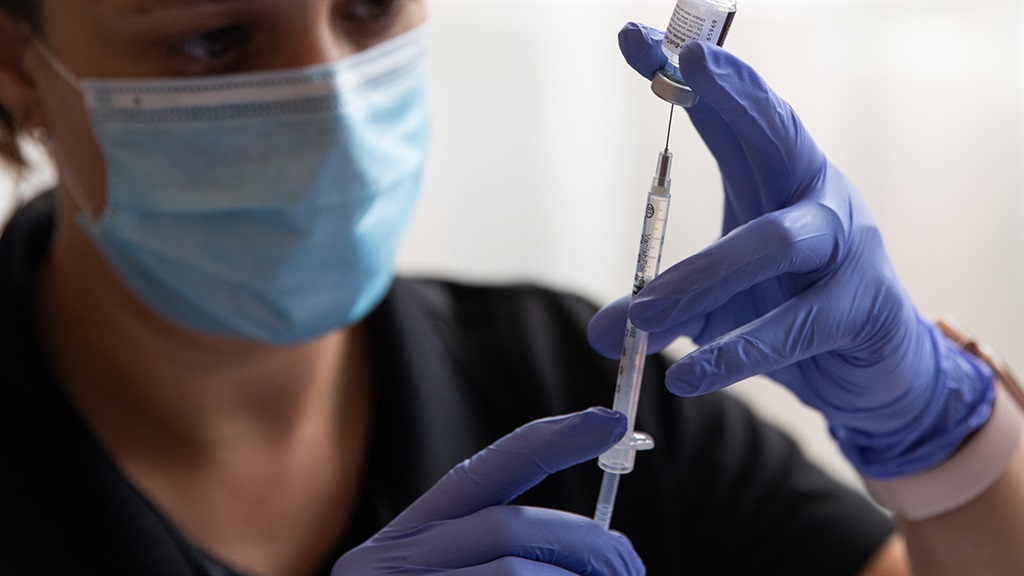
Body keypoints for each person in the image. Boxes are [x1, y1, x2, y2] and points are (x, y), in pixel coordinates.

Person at [0, 1, 1020, 575]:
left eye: (366, 9)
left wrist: (945, 439)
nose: (336, 102)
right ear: (17, 66)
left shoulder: (577, 391)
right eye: (211, 38)